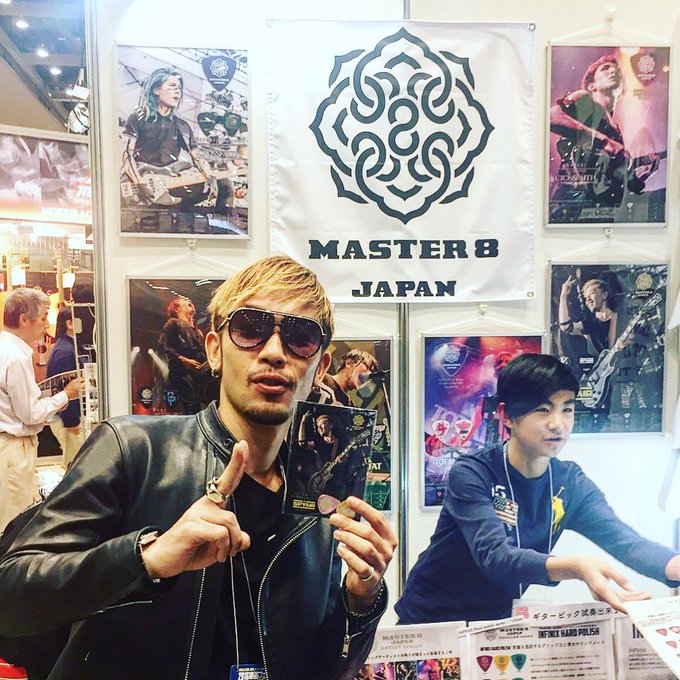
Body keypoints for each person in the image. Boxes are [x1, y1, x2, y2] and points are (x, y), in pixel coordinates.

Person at [0, 256, 397, 679]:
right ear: (214, 350)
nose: (274, 353)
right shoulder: (135, 450)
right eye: (250, 329)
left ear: (319, 367)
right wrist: (146, 559)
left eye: (300, 337)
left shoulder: (318, 499)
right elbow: (11, 597)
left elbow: (323, 668)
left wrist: (362, 598)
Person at [395, 353, 680, 624]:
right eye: (543, 410)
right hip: (429, 620)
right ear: (506, 415)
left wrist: (674, 564)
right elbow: (495, 557)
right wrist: (577, 567)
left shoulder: (570, 482)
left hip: (495, 621)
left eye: (567, 409)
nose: (558, 424)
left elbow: (628, 543)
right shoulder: (473, 472)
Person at [0, 289, 83, 532]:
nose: (47, 324)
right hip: (13, 450)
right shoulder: (15, 357)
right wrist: (66, 394)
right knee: (14, 526)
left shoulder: (7, 350)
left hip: (9, 448)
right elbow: (31, 414)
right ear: (24, 319)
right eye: (43, 317)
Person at [549, 54, 660, 223]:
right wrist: (605, 142)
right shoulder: (584, 99)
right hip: (569, 211)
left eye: (616, 70)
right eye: (605, 69)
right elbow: (550, 117)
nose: (612, 71)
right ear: (592, 86)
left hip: (600, 216)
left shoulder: (616, 130)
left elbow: (612, 181)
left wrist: (640, 176)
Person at [121, 67, 234, 231]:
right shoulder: (138, 118)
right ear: (156, 89)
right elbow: (126, 154)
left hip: (168, 180)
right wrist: (139, 182)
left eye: (179, 88)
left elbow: (197, 156)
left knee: (224, 184)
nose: (178, 91)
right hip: (142, 179)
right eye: (172, 86)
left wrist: (210, 176)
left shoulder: (182, 126)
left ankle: (222, 230)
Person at [158, 295, 211, 415]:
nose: (189, 301)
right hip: (182, 372)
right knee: (190, 405)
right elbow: (162, 344)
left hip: (197, 374)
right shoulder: (173, 323)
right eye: (184, 301)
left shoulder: (197, 330)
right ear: (177, 309)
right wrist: (184, 360)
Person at [46, 306, 85, 468]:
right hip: (66, 417)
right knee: (75, 465)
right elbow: (67, 388)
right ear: (70, 323)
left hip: (65, 415)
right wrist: (71, 421)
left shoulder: (66, 347)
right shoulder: (66, 351)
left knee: (75, 462)